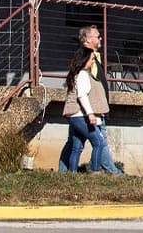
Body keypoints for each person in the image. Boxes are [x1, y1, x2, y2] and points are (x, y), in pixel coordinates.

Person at [58, 24, 120, 174]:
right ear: (86, 39)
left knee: (76, 144)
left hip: (87, 111)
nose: (100, 38)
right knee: (99, 142)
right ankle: (105, 171)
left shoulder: (92, 58)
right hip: (87, 112)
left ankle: (67, 172)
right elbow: (83, 93)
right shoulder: (84, 64)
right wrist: (92, 113)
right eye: (97, 36)